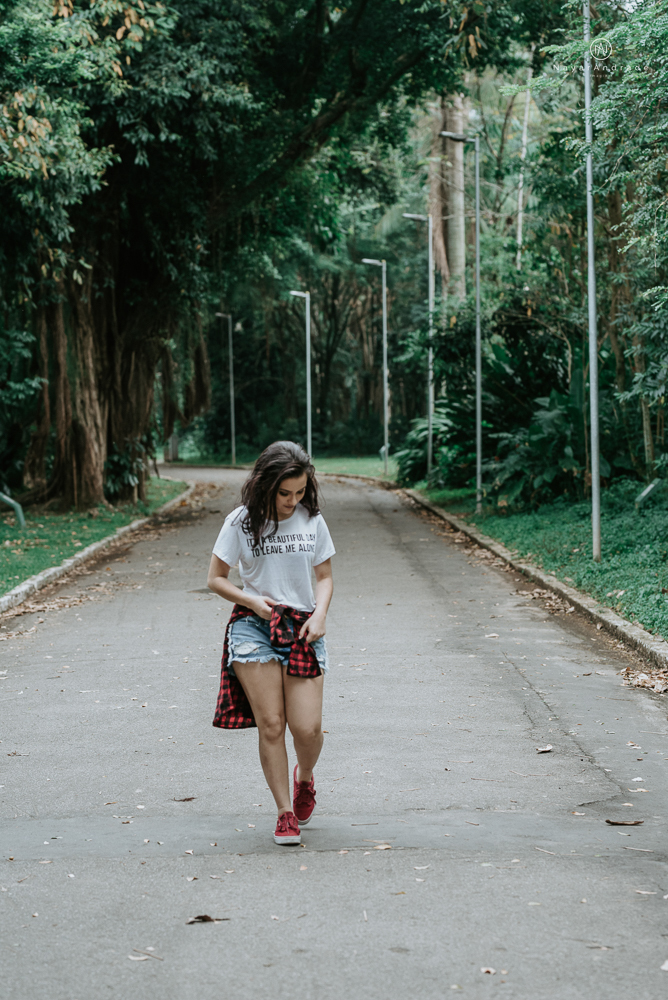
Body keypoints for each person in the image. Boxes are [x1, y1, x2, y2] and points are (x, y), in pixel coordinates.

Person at [208, 441, 335, 845]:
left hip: (301, 627)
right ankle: (284, 813)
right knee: (272, 724)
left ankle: (306, 777)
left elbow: (325, 577)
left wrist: (320, 614)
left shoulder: (311, 520)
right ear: (265, 484)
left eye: (299, 492)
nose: (292, 501)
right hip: (254, 626)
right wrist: (250, 600)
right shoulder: (241, 522)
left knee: (308, 728)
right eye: (284, 493)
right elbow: (216, 578)